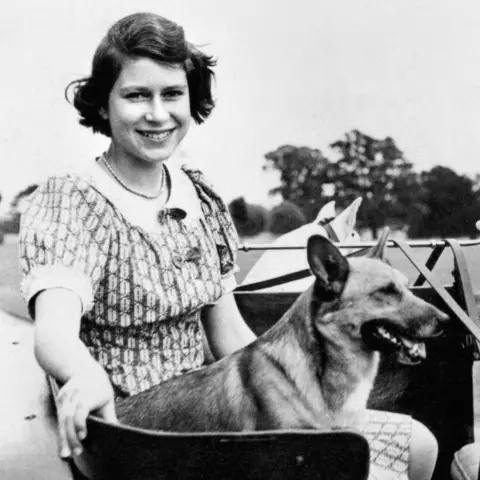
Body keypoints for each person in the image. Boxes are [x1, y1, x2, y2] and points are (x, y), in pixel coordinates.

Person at [18, 12, 437, 480]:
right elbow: (54, 330)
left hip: (213, 410)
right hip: (132, 431)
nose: (158, 114)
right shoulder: (71, 200)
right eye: (137, 95)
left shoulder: (199, 197)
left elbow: (229, 336)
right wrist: (84, 373)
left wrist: (302, 394)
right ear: (102, 105)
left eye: (172, 94)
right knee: (340, 465)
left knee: (417, 447)